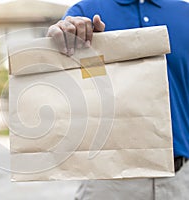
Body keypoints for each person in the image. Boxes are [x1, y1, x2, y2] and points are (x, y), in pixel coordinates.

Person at [47, 0, 189, 199]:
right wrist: (65, 41)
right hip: (110, 182)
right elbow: (72, 89)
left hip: (181, 180)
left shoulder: (185, 13)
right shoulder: (86, 13)